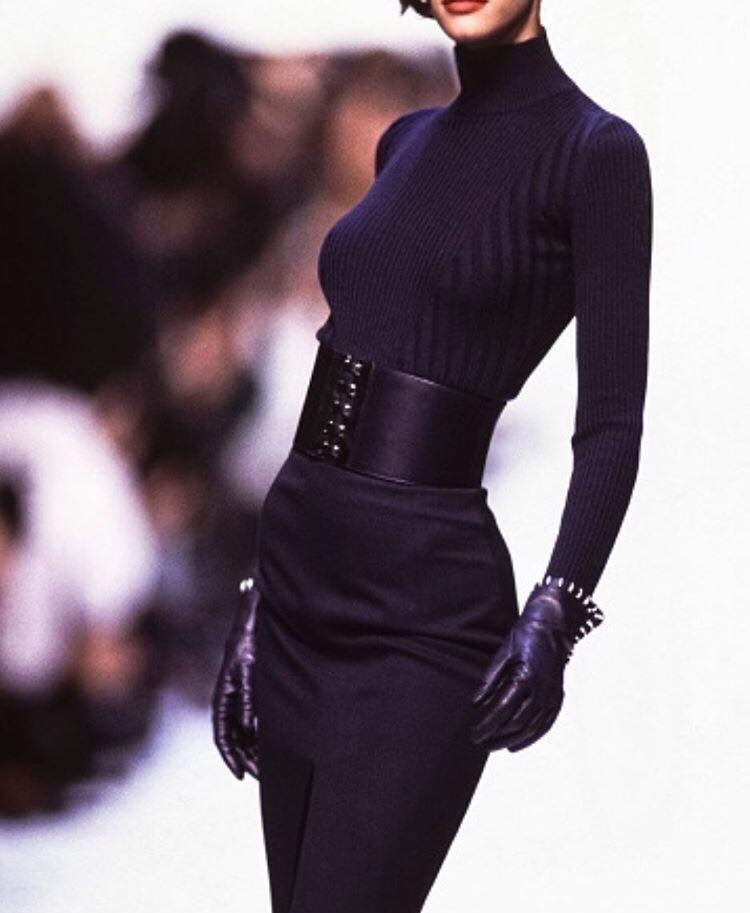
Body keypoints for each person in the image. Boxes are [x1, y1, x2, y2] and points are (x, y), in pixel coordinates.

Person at [212, 1, 653, 911]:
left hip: (422, 615)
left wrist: (557, 610)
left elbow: (611, 421)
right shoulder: (403, 143)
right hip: (296, 585)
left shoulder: (597, 155)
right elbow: (340, 357)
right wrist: (260, 596)